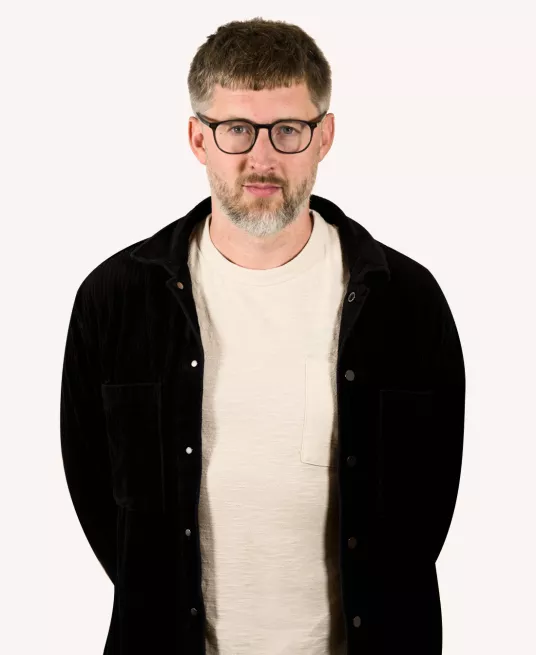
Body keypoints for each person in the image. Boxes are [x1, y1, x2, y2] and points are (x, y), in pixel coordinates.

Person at [60, 17, 465, 655]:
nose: (262, 157)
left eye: (288, 130)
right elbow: (97, 493)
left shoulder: (406, 302)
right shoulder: (115, 301)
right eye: (236, 130)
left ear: (324, 136)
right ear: (198, 138)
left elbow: (428, 505)